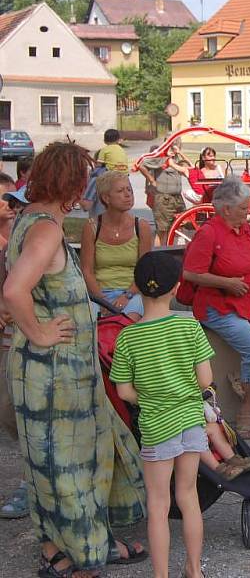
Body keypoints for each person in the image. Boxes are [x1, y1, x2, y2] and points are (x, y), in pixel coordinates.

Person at [3, 141, 146, 577]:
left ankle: (56, 549)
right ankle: (85, 555)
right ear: (72, 182)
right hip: (53, 374)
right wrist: (39, 330)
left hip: (47, 371)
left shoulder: (31, 220)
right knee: (70, 465)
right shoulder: (45, 229)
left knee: (48, 463)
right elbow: (13, 291)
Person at [111, 251, 213, 578]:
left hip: (157, 426)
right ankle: (194, 570)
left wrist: (151, 396)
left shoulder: (128, 336)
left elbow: (124, 392)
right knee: (188, 495)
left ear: (138, 288)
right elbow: (205, 380)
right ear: (176, 288)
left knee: (158, 504)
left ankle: (161, 575)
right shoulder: (189, 326)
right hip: (190, 421)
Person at [182, 179, 250, 439]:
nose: (248, 212)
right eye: (243, 208)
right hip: (217, 302)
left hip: (249, 297)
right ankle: (247, 409)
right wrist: (226, 282)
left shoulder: (242, 229)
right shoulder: (209, 232)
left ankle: (244, 379)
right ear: (226, 209)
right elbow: (190, 272)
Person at [80, 171, 152, 321]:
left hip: (133, 292)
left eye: (129, 190)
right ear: (106, 198)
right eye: (120, 191)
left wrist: (127, 296)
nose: (127, 195)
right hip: (99, 293)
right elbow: (87, 270)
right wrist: (102, 300)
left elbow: (145, 270)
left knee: (127, 321)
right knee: (92, 321)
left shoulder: (141, 226)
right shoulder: (92, 227)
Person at [0, 178, 26, 521]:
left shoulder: (25, 238)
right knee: (7, 410)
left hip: (20, 337)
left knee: (15, 411)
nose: (10, 205)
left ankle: (28, 482)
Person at [139, 142, 189, 245]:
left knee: (181, 225)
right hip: (164, 198)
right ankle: (159, 254)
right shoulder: (160, 158)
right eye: (174, 146)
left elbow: (190, 167)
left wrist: (180, 153)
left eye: (178, 146)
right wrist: (151, 180)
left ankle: (177, 251)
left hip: (177, 198)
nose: (176, 148)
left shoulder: (177, 159)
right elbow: (141, 165)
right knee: (162, 230)